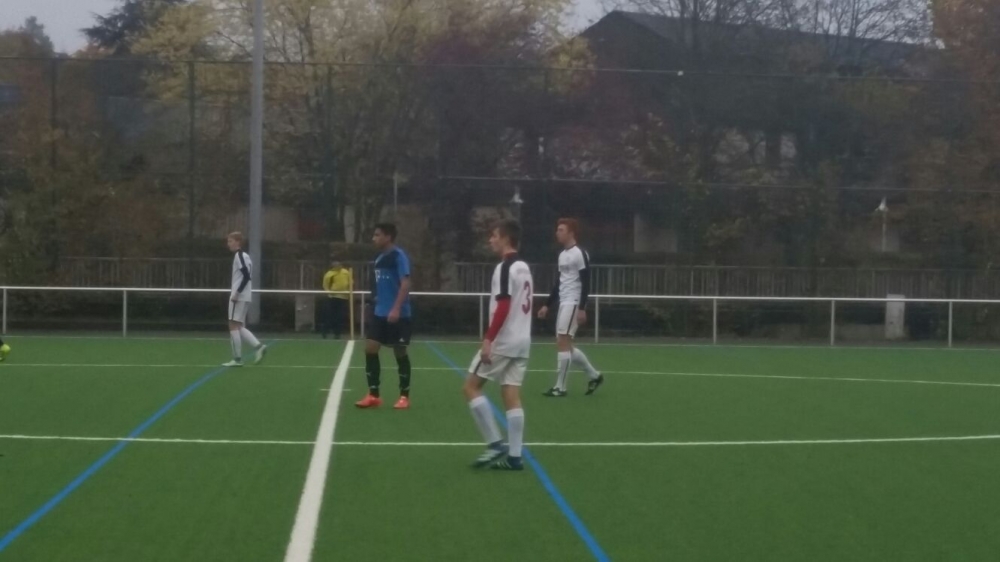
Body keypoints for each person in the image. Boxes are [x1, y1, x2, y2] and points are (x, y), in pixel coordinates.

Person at [464, 219, 533, 471]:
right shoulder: (524, 267)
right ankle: (515, 457)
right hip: (523, 340)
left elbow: (503, 306)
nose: (490, 240)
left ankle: (494, 443)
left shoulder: (505, 267)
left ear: (505, 238)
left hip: (505, 340)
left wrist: (488, 339)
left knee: (470, 387)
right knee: (510, 394)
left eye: (494, 235)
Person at [538, 218, 604, 397]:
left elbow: (586, 282)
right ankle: (594, 376)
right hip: (564, 301)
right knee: (566, 344)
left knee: (562, 342)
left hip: (573, 302)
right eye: (557, 229)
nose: (557, 233)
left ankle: (560, 387)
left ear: (571, 233)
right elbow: (559, 283)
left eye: (561, 230)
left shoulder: (579, 254)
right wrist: (547, 305)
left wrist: (582, 307)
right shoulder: (562, 255)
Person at [355, 223, 413, 410]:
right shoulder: (379, 258)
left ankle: (404, 396)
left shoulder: (399, 256)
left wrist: (396, 308)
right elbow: (377, 285)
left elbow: (405, 283)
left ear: (388, 237)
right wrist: (374, 301)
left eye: (377, 235)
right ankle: (373, 394)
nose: (374, 238)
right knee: (370, 348)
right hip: (379, 313)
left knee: (400, 352)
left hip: (399, 314)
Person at [223, 232, 267, 367]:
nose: (228, 244)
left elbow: (246, 276)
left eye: (230, 241)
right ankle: (258, 346)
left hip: (239, 295)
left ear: (238, 242)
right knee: (239, 325)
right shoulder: (246, 256)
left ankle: (237, 359)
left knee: (232, 325)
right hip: (245, 295)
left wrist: (237, 293)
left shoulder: (239, 256)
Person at [321, 259, 352, 339]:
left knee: (340, 317)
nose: (339, 267)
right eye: (336, 265)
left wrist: (349, 290)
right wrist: (329, 293)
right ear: (333, 266)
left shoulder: (345, 272)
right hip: (333, 297)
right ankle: (325, 332)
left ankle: (337, 334)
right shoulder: (329, 274)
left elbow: (350, 282)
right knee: (330, 316)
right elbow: (325, 285)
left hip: (343, 297)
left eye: (339, 265)